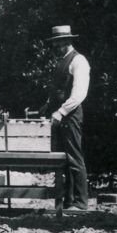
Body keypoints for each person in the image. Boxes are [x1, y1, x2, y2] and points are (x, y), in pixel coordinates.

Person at [44, 25, 91, 213]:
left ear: (67, 42)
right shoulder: (61, 61)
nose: (55, 47)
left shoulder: (79, 61)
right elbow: (58, 91)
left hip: (70, 117)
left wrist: (61, 112)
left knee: (74, 157)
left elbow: (79, 94)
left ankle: (80, 202)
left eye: (58, 43)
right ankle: (69, 200)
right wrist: (46, 107)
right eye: (54, 43)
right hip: (60, 116)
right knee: (63, 159)